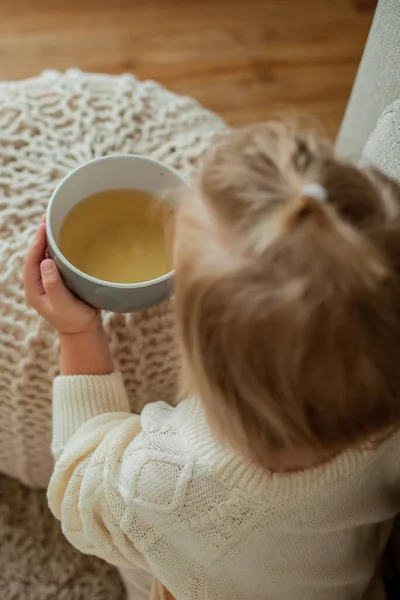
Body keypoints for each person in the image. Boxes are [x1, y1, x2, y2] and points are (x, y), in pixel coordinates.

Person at [24, 121, 400, 600]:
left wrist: (76, 330)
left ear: (202, 364)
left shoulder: (167, 477)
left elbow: (79, 485)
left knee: (144, 560)